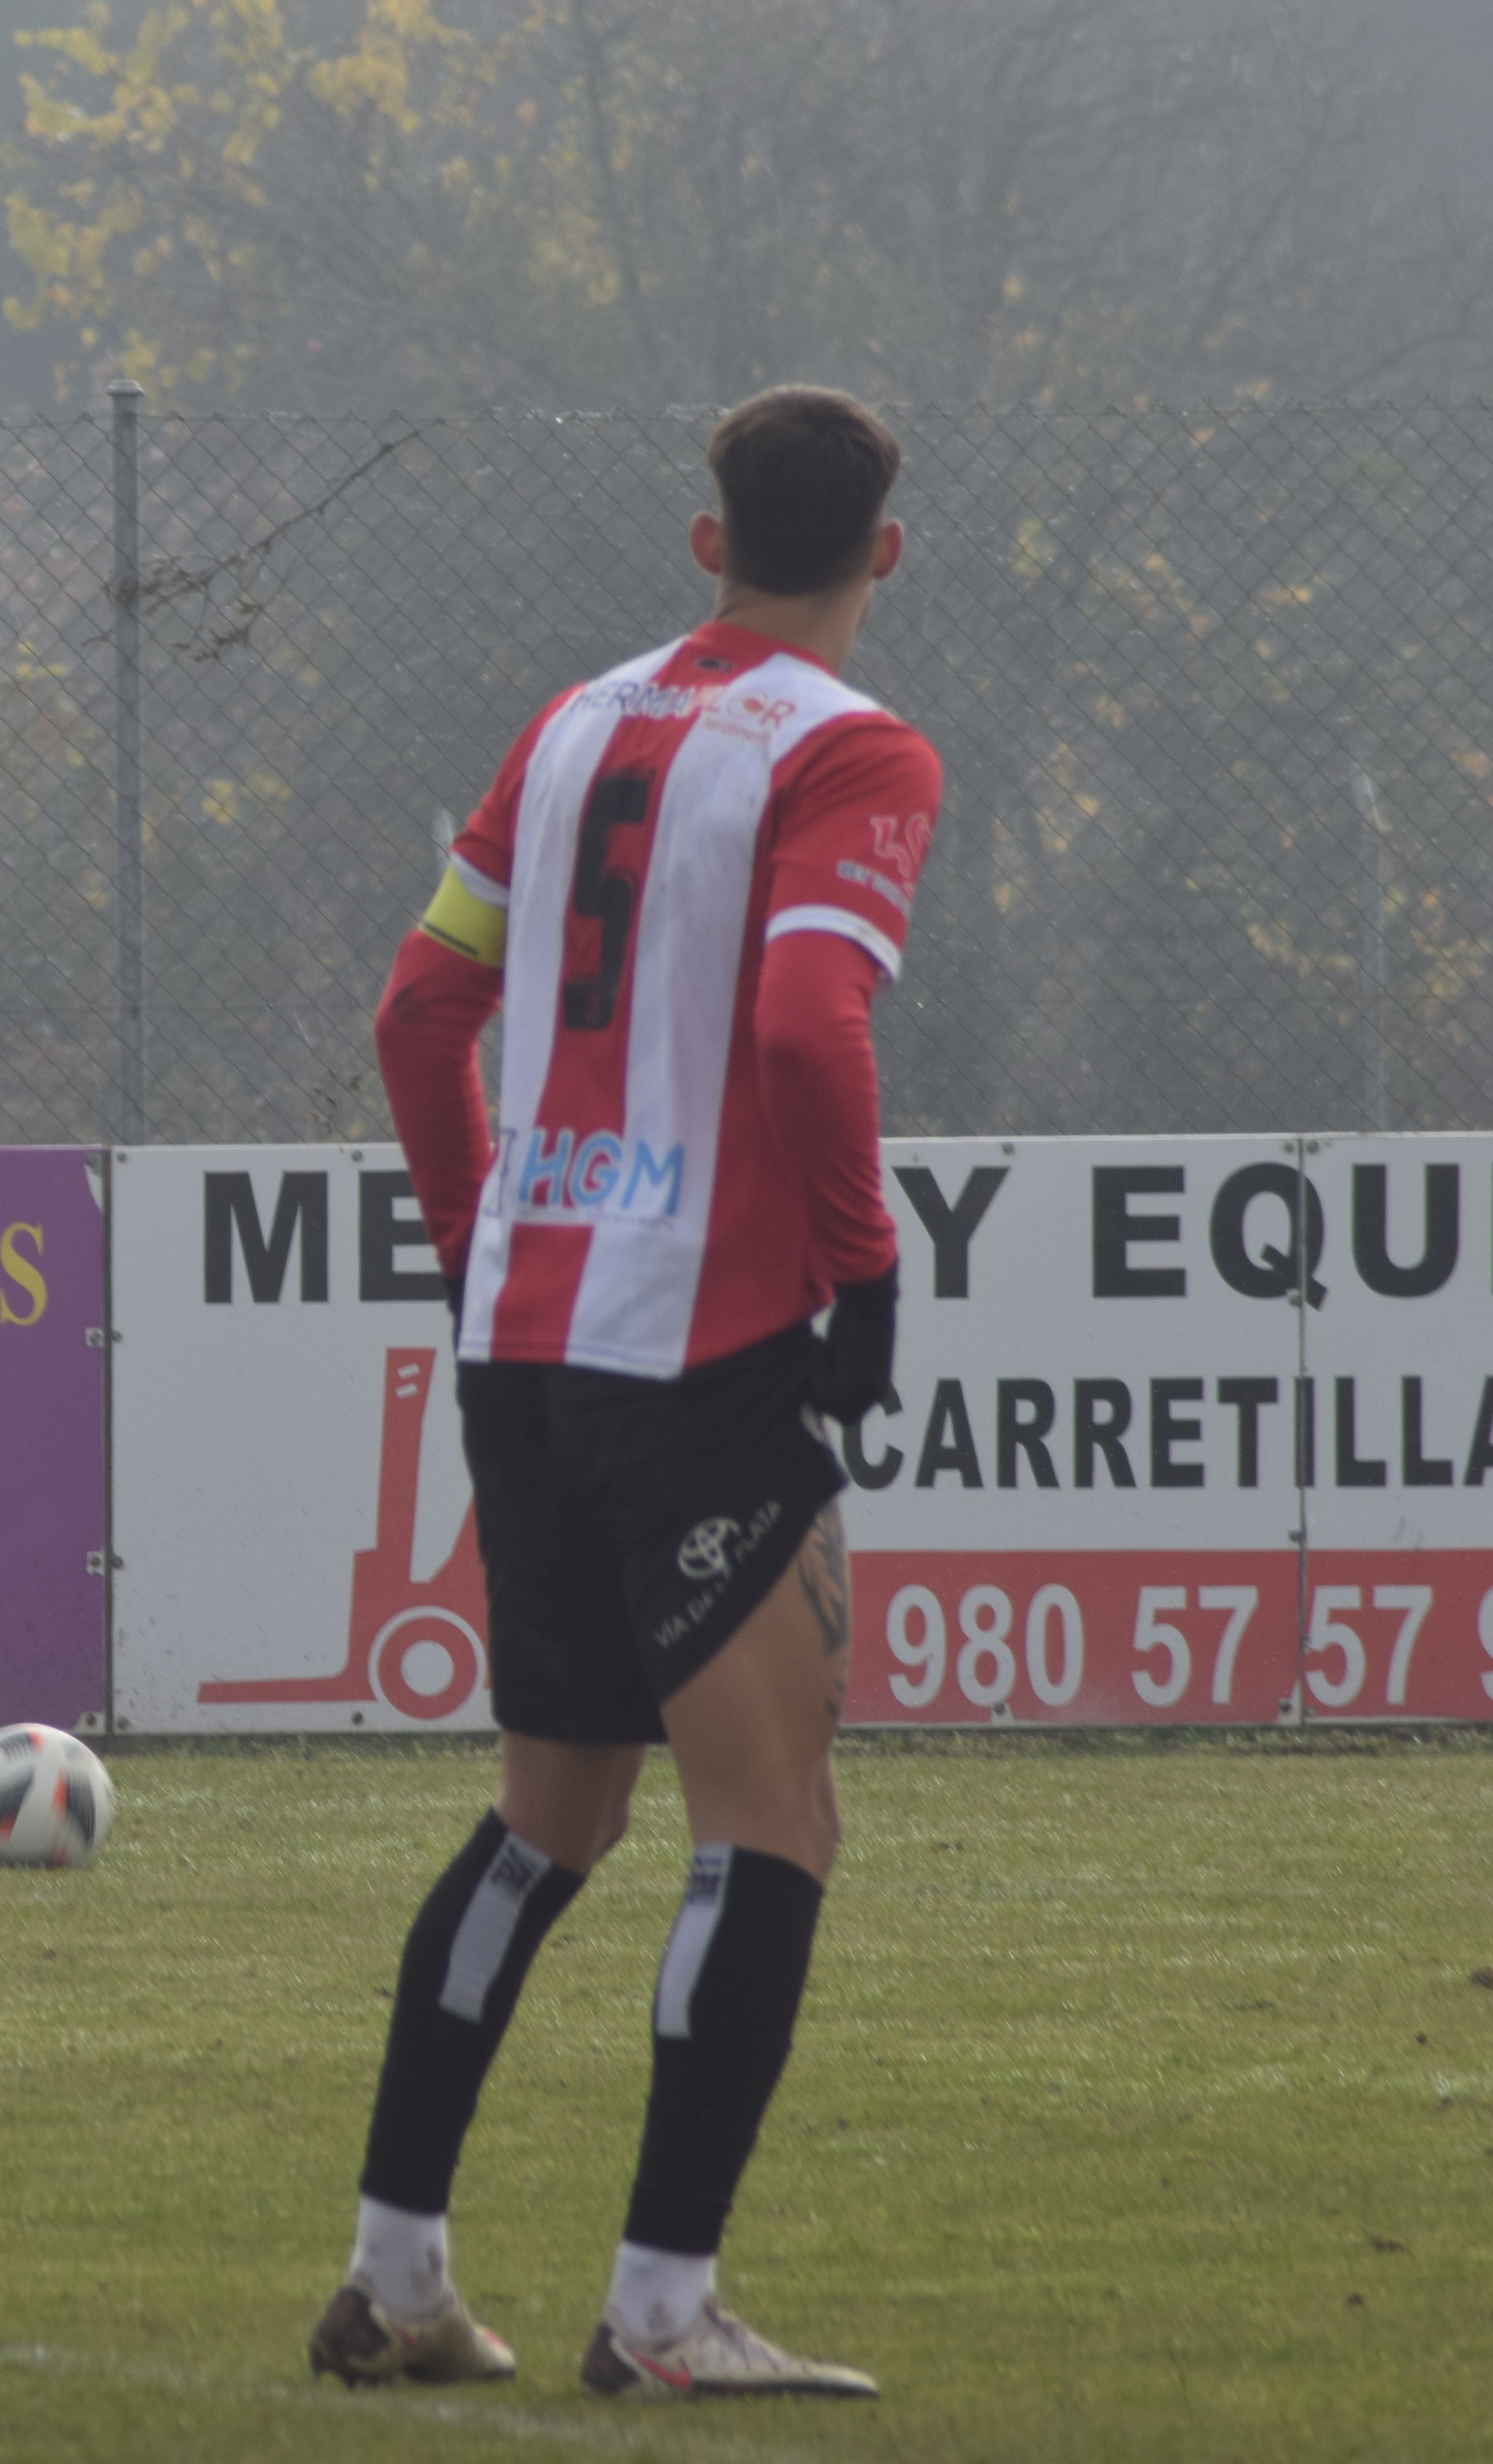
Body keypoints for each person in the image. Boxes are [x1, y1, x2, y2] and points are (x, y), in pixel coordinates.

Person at [309, 389, 937, 2400]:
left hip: (531, 1328)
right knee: (774, 1823)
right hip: (702, 1338)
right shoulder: (856, 749)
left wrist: (493, 1230)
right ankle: (664, 2317)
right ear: (885, 556)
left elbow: (422, 1010)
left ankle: (396, 2279)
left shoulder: (570, 726)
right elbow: (813, 1028)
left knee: (546, 1819)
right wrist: (861, 1269)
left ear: (705, 540)